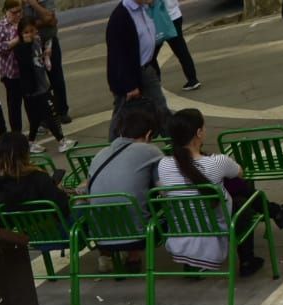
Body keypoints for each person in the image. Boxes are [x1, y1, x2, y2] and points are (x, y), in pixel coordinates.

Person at [156, 108, 283, 277]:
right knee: (242, 199)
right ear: (199, 133)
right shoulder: (217, 162)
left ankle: (277, 213)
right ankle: (249, 256)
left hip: (183, 227)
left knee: (234, 195)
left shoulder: (163, 165)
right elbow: (240, 173)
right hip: (217, 225)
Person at [83, 104, 164, 271]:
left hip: (99, 235)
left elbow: (87, 188)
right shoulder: (150, 150)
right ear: (149, 134)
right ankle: (134, 256)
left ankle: (105, 256)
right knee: (146, 199)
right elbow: (163, 189)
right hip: (138, 234)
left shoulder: (100, 154)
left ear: (120, 132)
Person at [105, 0, 170, 138]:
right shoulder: (121, 16)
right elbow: (119, 55)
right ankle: (114, 148)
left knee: (161, 110)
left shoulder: (143, 9)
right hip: (130, 75)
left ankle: (176, 147)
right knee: (124, 114)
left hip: (146, 69)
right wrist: (130, 85)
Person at [13, 15, 74, 151]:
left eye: (32, 31)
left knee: (36, 118)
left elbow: (40, 63)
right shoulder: (20, 48)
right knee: (50, 114)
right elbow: (24, 64)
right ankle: (61, 141)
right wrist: (28, 44)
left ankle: (31, 142)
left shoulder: (37, 43)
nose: (30, 35)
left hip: (42, 85)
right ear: (21, 34)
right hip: (33, 90)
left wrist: (45, 55)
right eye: (26, 32)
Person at [0, 132, 69, 224]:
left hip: (19, 235)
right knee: (81, 207)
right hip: (54, 231)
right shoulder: (38, 178)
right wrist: (59, 191)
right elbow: (64, 209)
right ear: (25, 153)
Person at [0, 0, 29, 132]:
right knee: (14, 105)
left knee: (31, 102)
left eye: (20, 11)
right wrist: (16, 41)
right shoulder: (0, 26)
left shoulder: (24, 22)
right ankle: (16, 132)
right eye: (14, 13)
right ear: (6, 11)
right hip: (10, 72)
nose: (18, 15)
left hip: (27, 69)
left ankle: (38, 126)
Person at [161, 0, 200, 90]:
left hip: (164, 19)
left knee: (151, 54)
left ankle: (153, 85)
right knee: (181, 50)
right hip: (175, 14)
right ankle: (192, 79)